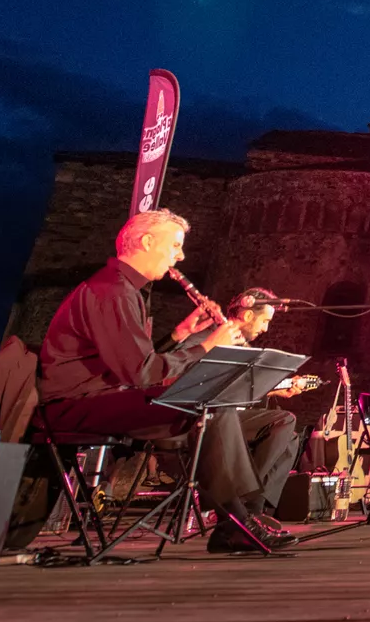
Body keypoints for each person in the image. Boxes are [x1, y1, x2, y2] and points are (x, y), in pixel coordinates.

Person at [36, 210, 296, 554]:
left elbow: (129, 362)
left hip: (99, 398)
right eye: (175, 245)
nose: (181, 256)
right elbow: (141, 374)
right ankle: (237, 522)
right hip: (74, 407)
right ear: (147, 242)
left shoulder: (122, 288)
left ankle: (239, 519)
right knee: (207, 405)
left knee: (213, 402)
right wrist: (206, 346)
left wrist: (181, 334)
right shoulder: (112, 291)